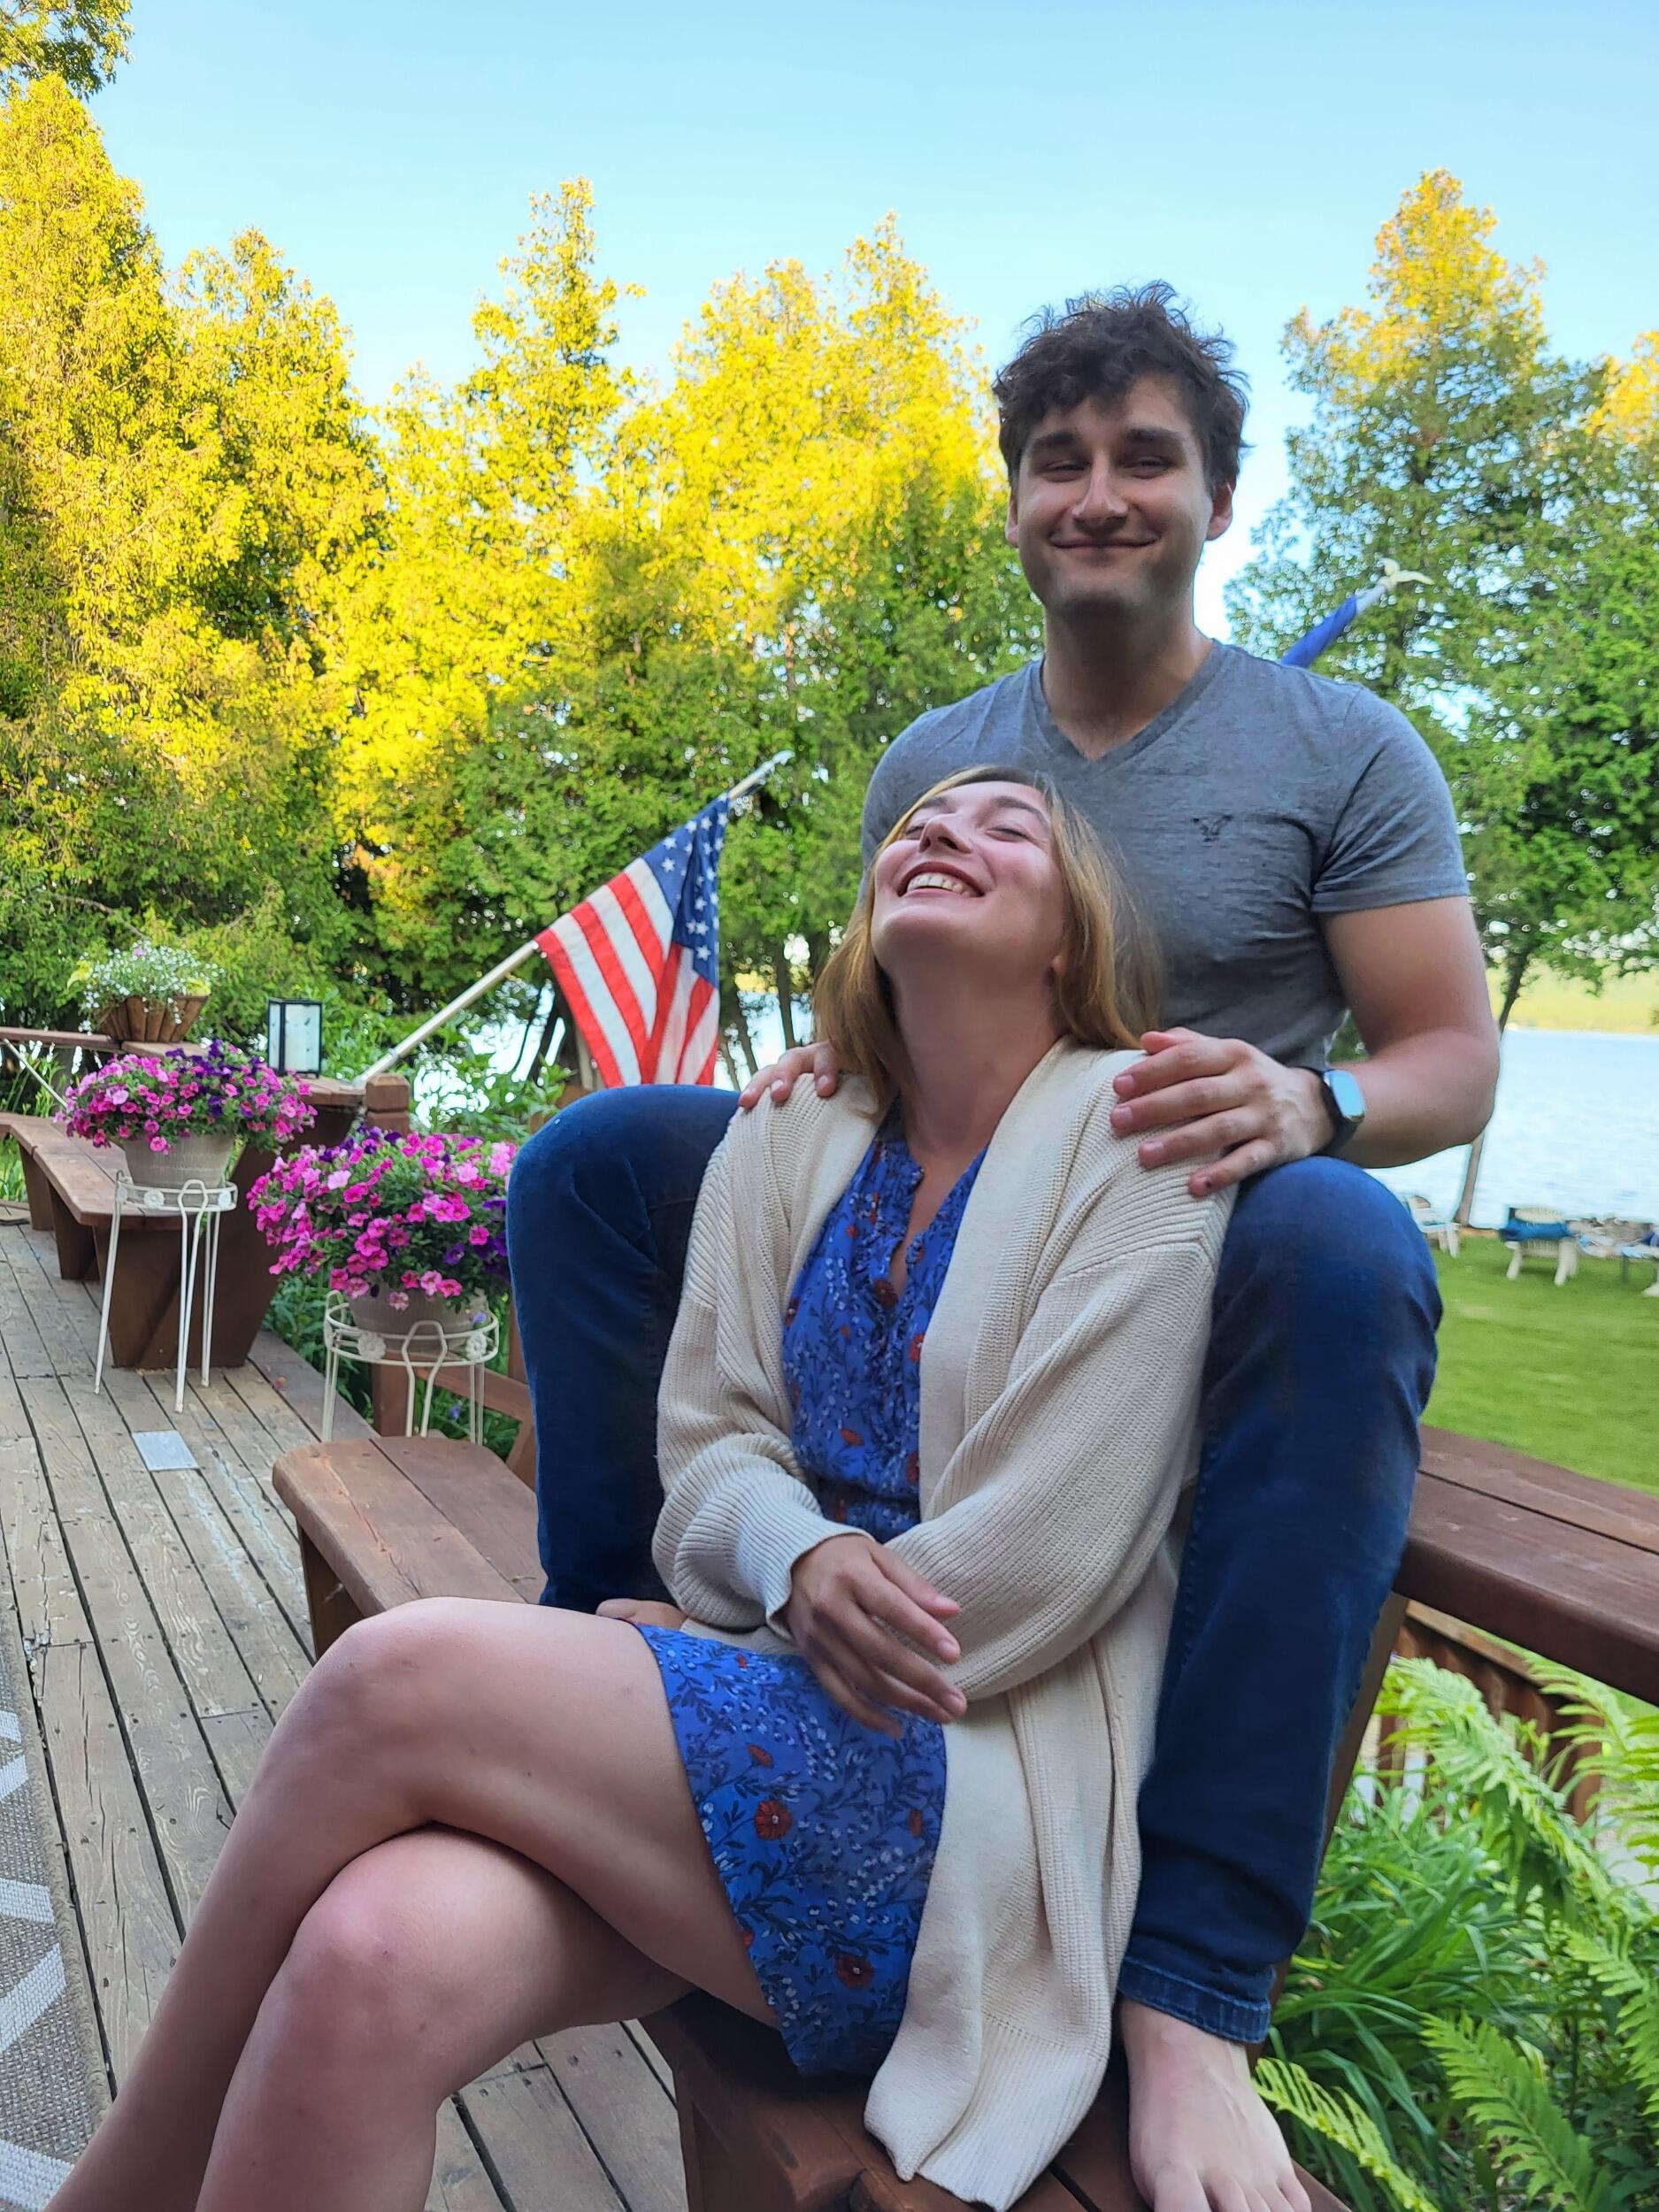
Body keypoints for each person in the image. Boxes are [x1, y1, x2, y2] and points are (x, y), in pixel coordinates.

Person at [507, 286, 1500, 2211]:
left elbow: (1448, 1051)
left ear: (1218, 499)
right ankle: (640, 1626)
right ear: (1017, 499)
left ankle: (1194, 1990)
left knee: (1344, 1246)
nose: (1099, 490)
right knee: (606, 1154)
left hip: (1189, 1227)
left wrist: (1316, 1106)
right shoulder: (939, 751)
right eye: (1061, 459)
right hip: (949, 1181)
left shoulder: (1339, 747)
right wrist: (817, 1066)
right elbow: (882, 1002)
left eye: (1144, 457)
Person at [51, 772, 1231, 2212]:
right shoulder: (793, 1129)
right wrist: (790, 1563)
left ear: (1069, 937)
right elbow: (712, 1446)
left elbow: (1043, 1557)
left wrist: (736, 1632)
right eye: (918, 823)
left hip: (970, 1788)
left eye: (1006, 828)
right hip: (762, 1727)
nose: (942, 833)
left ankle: (124, 2178)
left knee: (391, 1677)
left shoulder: (1145, 1148)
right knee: (371, 1959)